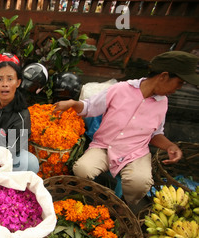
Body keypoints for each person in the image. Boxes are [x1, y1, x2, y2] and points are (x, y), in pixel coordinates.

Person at [53, 50, 199, 207]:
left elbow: (155, 134)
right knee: (83, 169)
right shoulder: (121, 89)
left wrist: (170, 146)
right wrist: (73, 104)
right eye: (179, 82)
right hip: (104, 146)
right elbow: (90, 107)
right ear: (163, 76)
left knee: (139, 184)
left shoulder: (162, 103)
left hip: (135, 153)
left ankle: (121, 208)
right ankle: (83, 198)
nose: (179, 88)